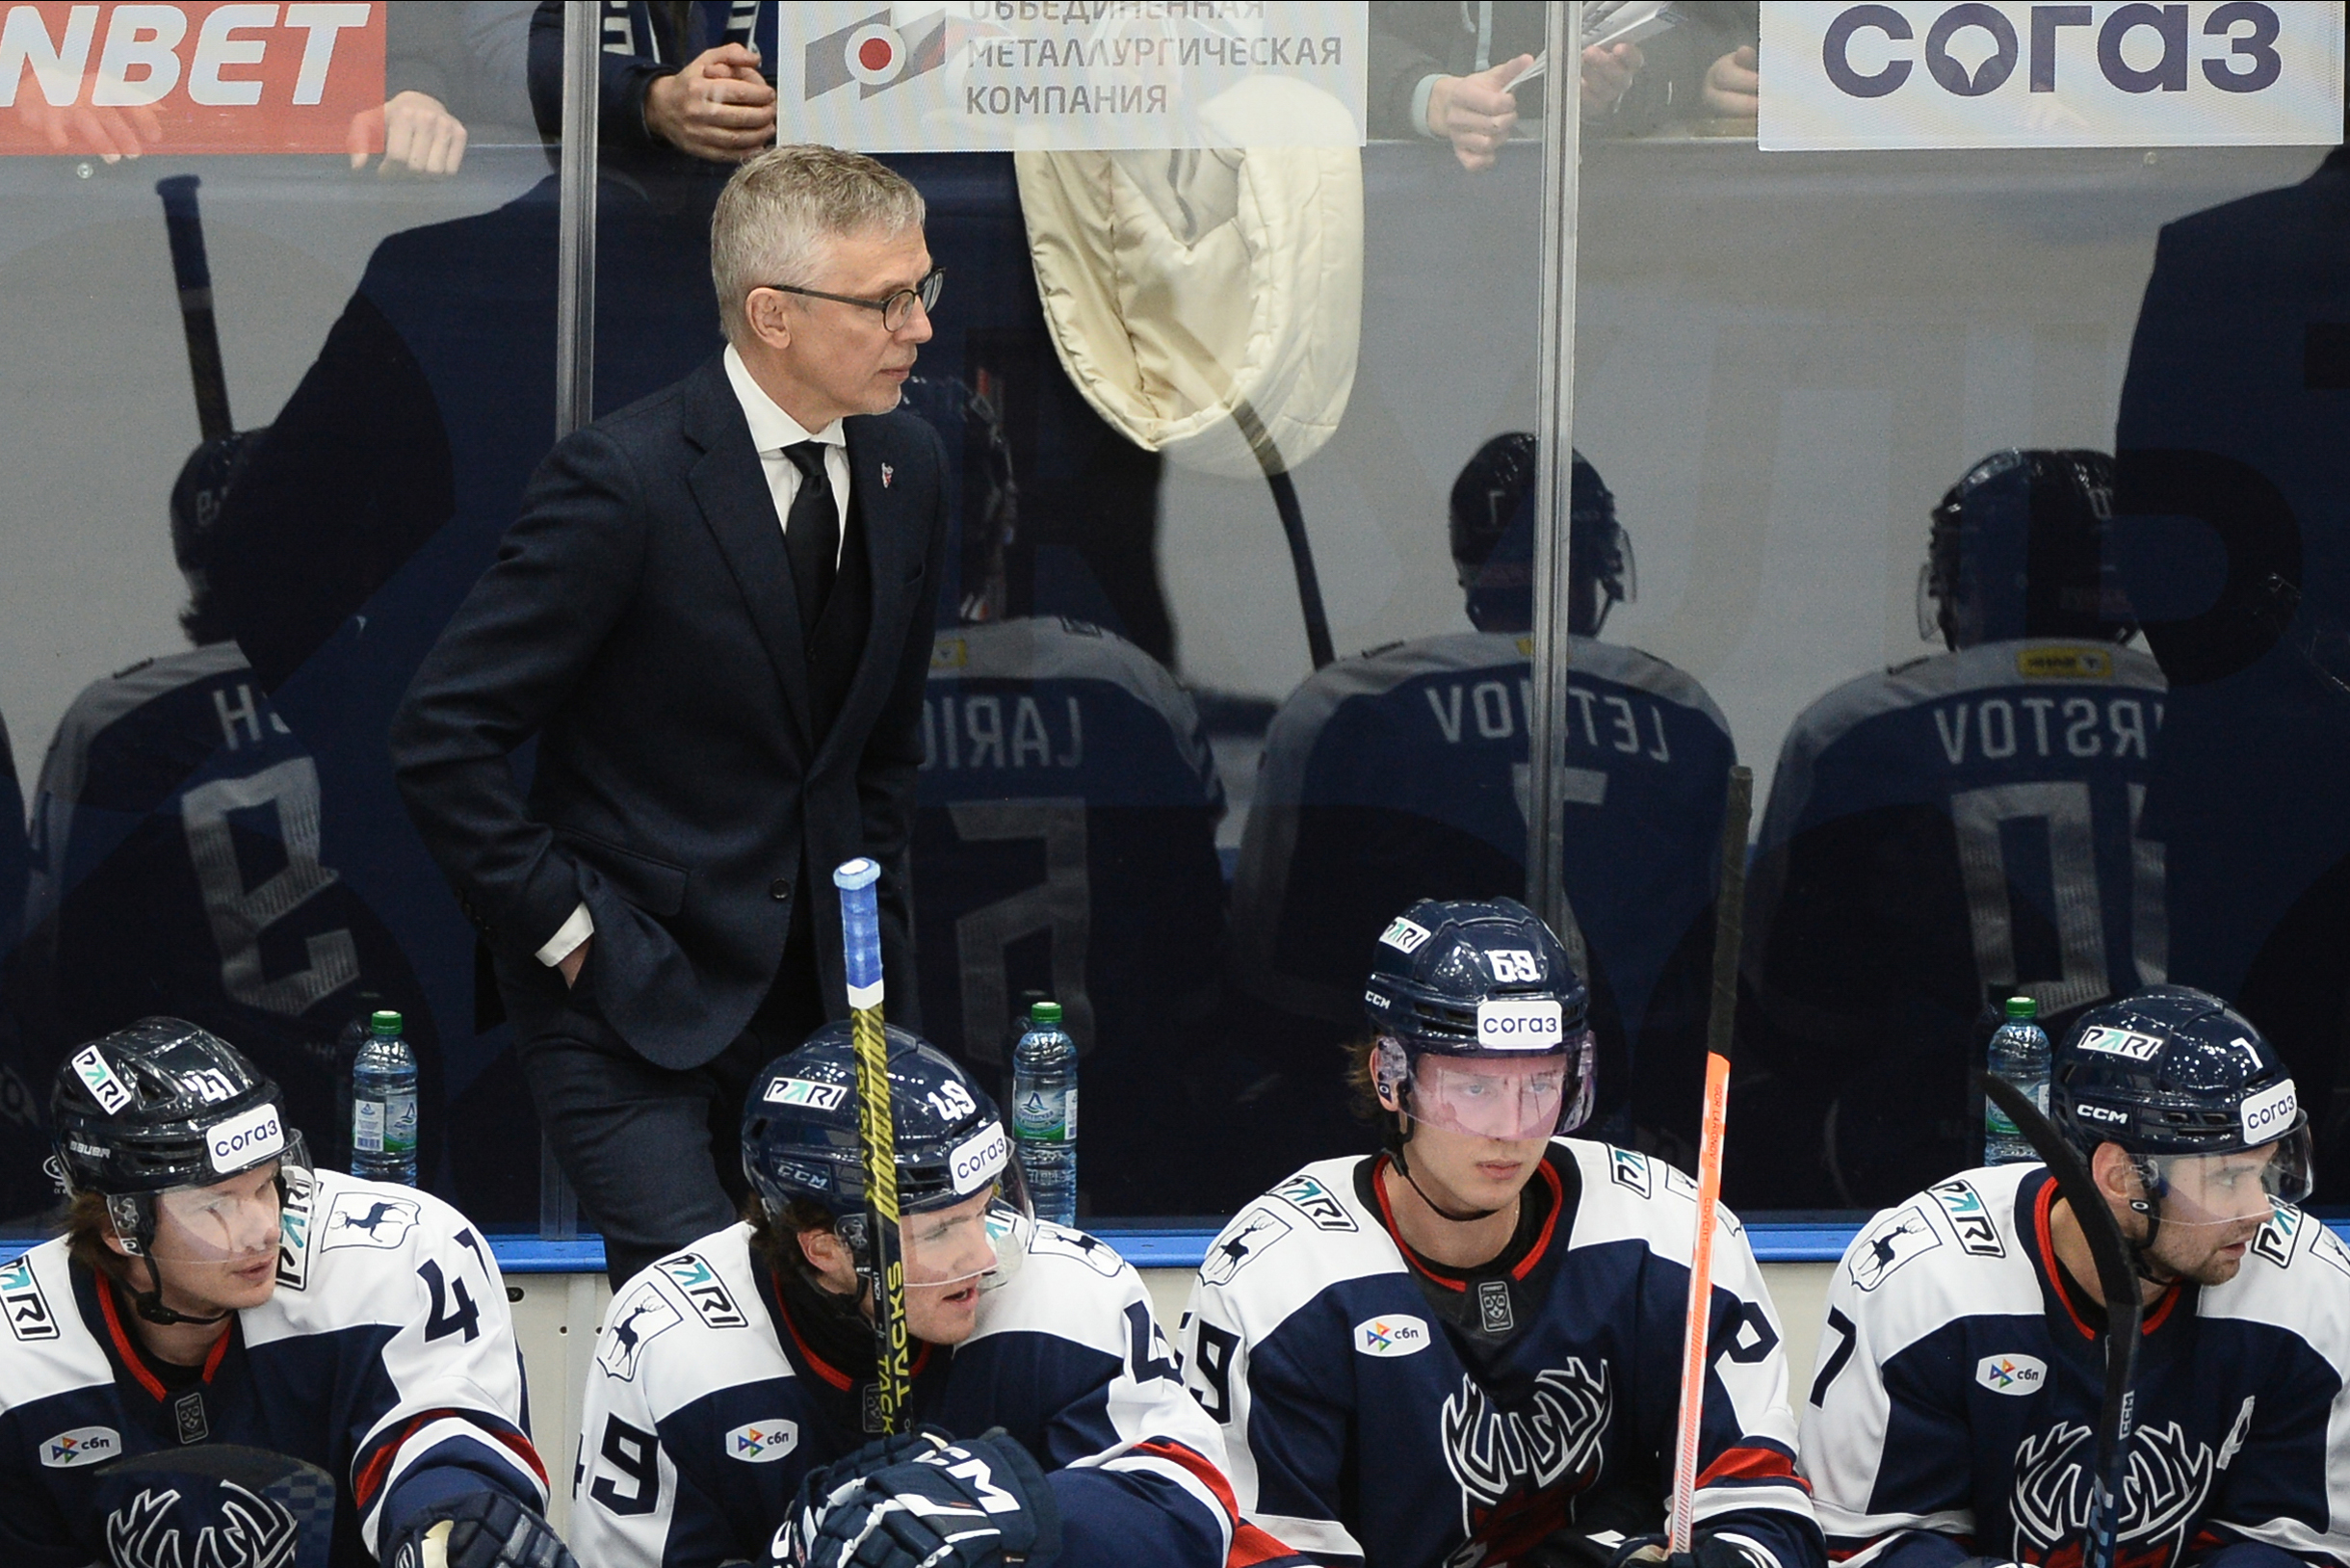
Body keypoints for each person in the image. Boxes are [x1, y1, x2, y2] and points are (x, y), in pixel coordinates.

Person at [390, 144, 951, 1290]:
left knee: (848, 1309)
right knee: (705, 1319)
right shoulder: (624, 480)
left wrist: (875, 989)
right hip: (627, 998)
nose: (919, 326)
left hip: (822, 1010)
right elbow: (440, 735)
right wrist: (567, 931)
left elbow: (879, 753)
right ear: (772, 315)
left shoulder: (912, 465)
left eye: (922, 288)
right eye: (886, 300)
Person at [1183, 897, 1823, 1568]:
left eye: (1542, 1084)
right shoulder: (1281, 1282)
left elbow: (1767, 1516)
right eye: (1474, 1087)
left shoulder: (1669, 1235)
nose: (1512, 1128)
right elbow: (1264, 1554)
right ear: (1390, 1078)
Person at [567, 1023, 1292, 1568]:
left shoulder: (1071, 1289)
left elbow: (1194, 1507)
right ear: (824, 1245)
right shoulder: (667, 1338)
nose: (984, 1255)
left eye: (987, 1207)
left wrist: (1001, 1506)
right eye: (942, 1229)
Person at [1230, 436, 1736, 1173]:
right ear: (1599, 558)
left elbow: (1274, 997)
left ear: (1467, 561)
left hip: (1432, 1146)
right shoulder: (1686, 715)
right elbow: (1724, 987)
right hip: (1639, 1145)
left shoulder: (1349, 707)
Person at [1737, 451, 2166, 1209]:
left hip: (1939, 1159)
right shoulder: (2222, 722)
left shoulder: (1861, 730)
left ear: (1967, 579)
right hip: (2190, 1150)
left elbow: (1800, 1014)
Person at [1800, 985, 2350, 1568]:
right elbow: (1865, 1547)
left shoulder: (2309, 1289)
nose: (2263, 1211)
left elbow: (2301, 1546)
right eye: (2227, 1178)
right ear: (2118, 1177)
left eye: (2268, 1167)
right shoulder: (1924, 1279)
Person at [0, 1016, 570, 1568]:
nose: (265, 1228)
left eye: (267, 1181)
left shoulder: (394, 1254)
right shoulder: (17, 1349)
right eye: (217, 1203)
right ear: (118, 1226)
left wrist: (453, 1520)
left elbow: (442, 1445)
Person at [901, 374, 1228, 1215]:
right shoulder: (1123, 686)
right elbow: (1194, 961)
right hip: (1111, 1136)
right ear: (1004, 515)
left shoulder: (833, 697)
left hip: (905, 1141)